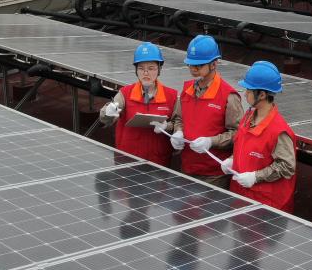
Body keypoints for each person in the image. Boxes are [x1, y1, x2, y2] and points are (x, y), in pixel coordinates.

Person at [165, 35, 243, 188]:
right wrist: (178, 131)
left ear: (214, 64)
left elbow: (238, 134)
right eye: (190, 65)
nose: (193, 69)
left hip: (214, 174)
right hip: (187, 167)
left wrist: (211, 141)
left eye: (198, 66)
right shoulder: (187, 90)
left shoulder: (229, 96)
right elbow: (179, 119)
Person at [226, 60, 297, 213]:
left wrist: (256, 176)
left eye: (249, 90)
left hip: (265, 205)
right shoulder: (248, 117)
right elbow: (242, 146)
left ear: (262, 94)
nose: (245, 93)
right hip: (242, 196)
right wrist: (232, 160)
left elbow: (287, 166)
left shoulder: (279, 131)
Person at [98, 42, 177, 165]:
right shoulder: (124, 94)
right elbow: (105, 119)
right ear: (136, 70)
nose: (146, 73)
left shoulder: (172, 96)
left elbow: (178, 124)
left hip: (159, 162)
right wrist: (108, 112)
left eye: (151, 68)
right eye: (141, 68)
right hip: (126, 161)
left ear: (159, 69)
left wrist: (167, 126)